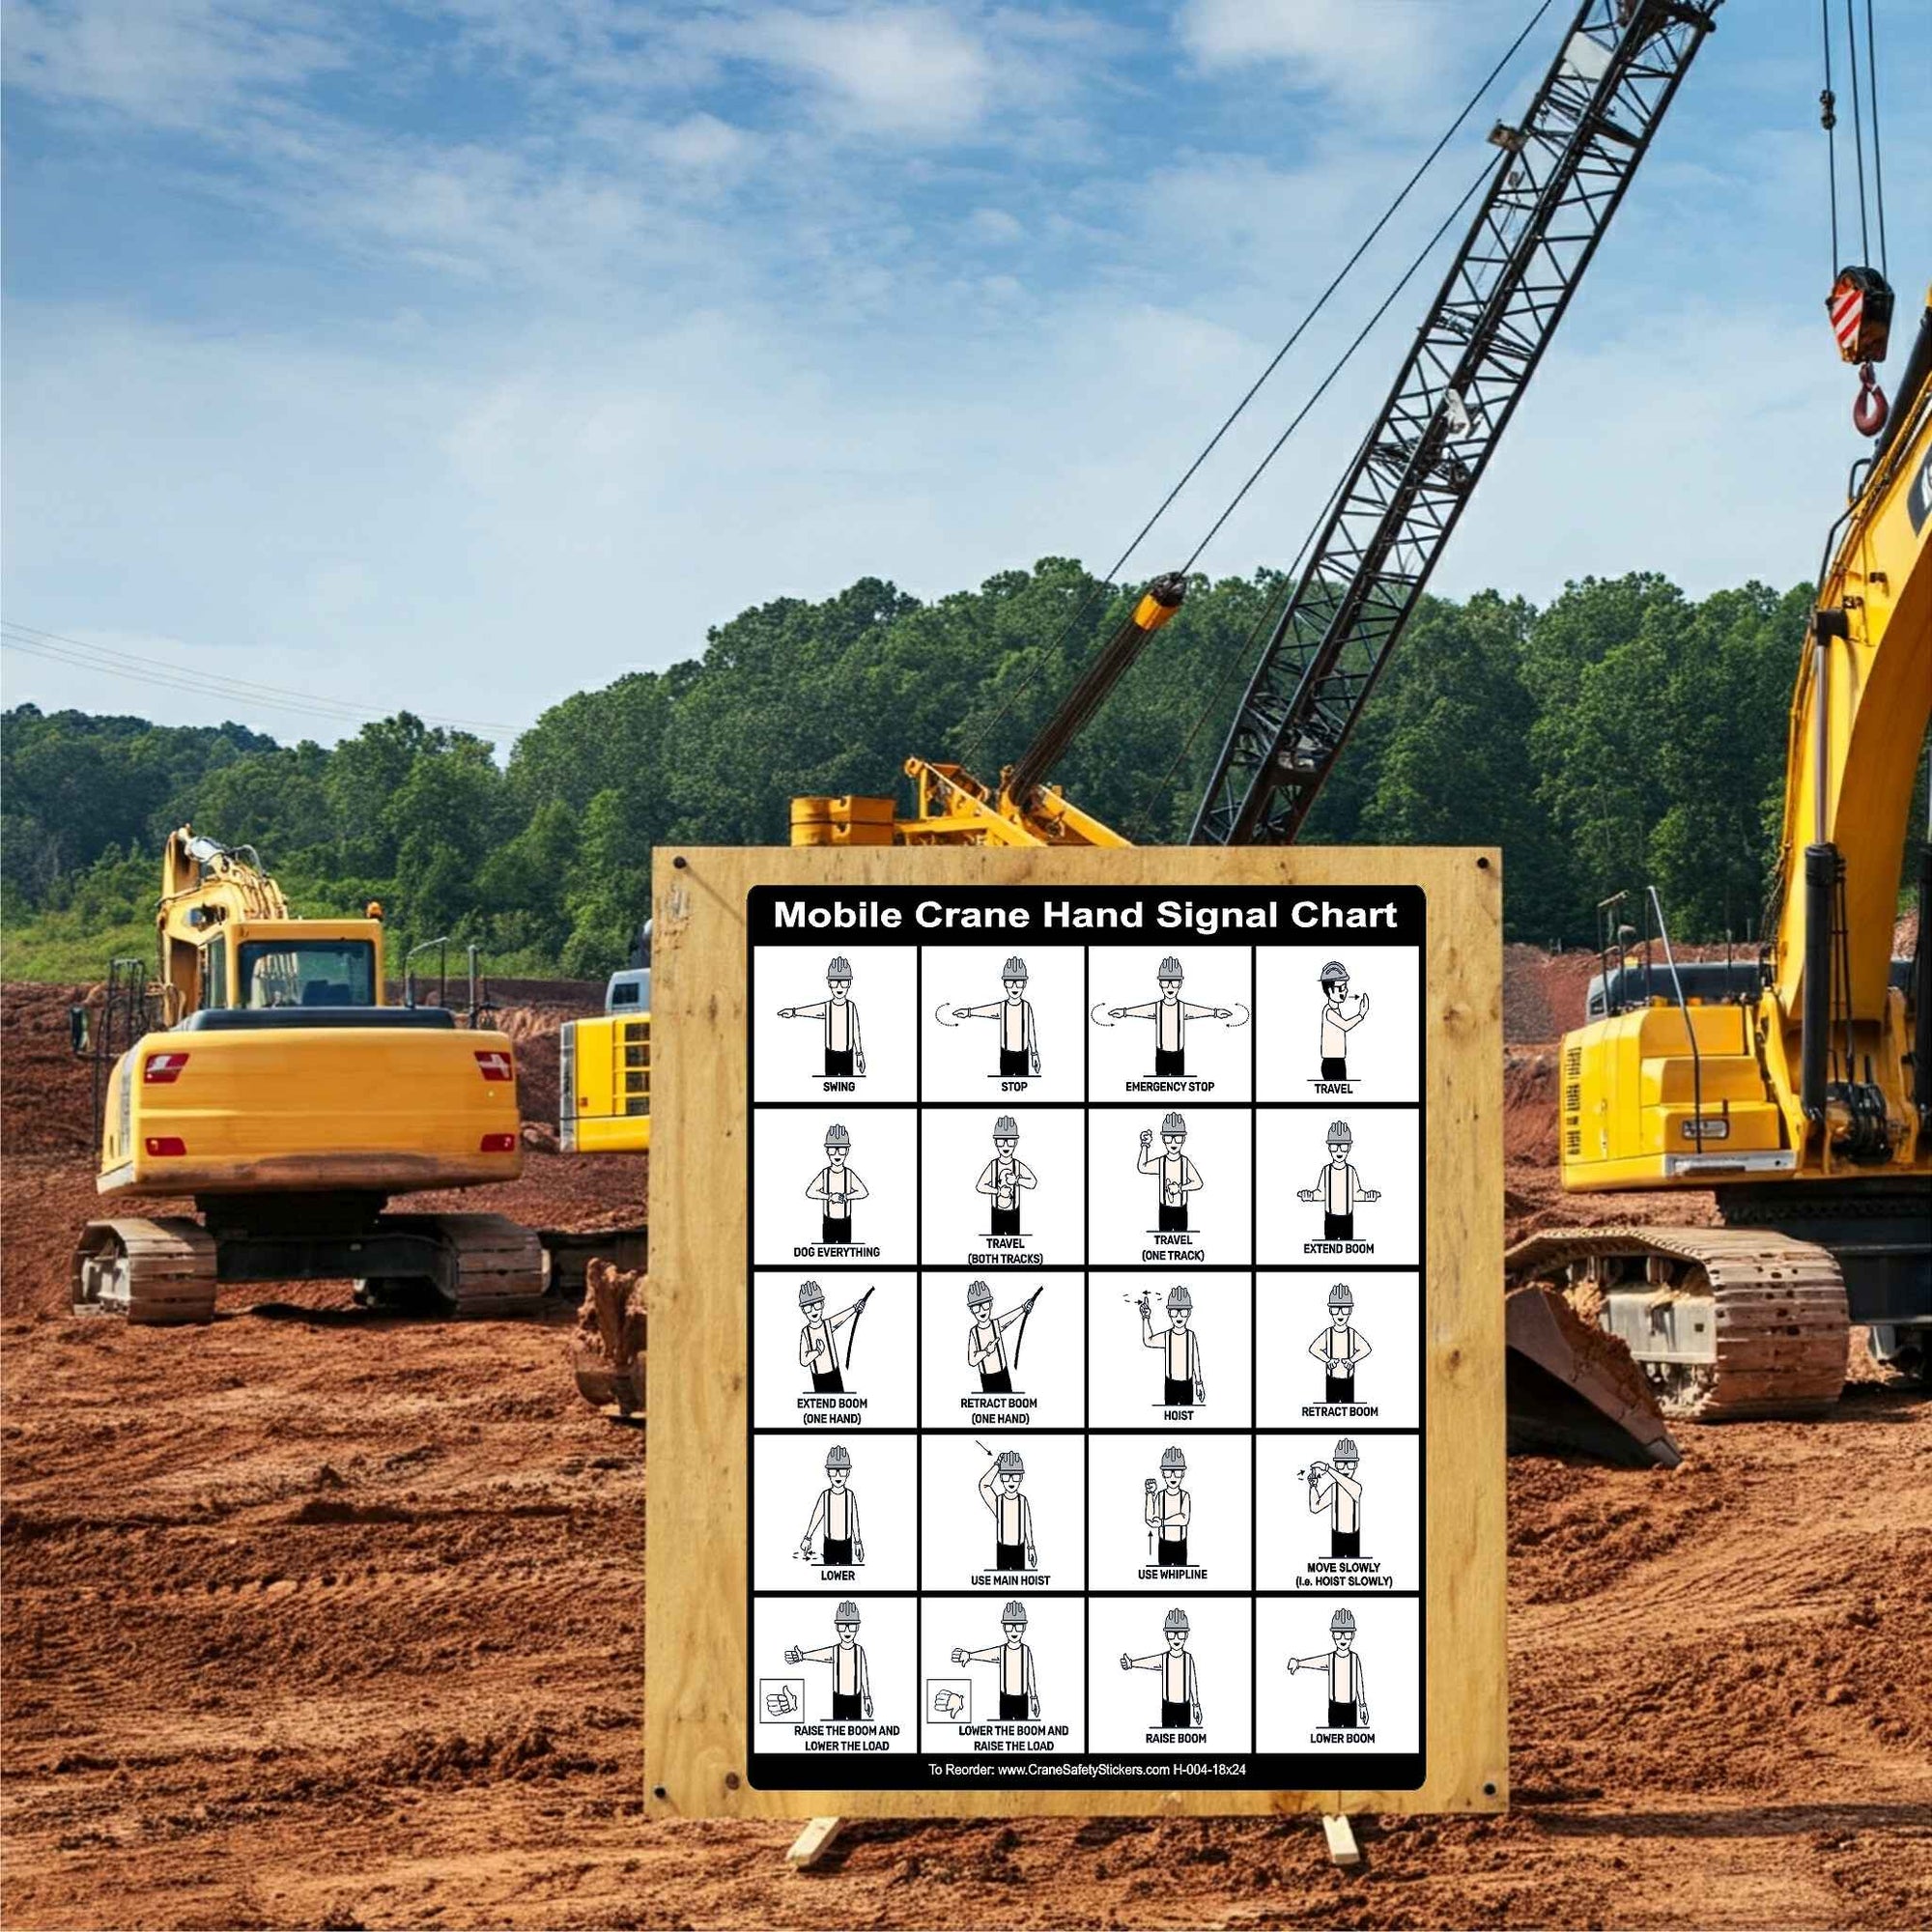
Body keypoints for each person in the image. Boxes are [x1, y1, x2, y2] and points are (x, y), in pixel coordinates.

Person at [1108, 956, 1231, 1076]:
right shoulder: (1157, 1007)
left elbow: (1198, 1011)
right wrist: (1124, 1012)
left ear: (1180, 983)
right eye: (1166, 982)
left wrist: (1215, 1013)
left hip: (1179, 1054)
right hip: (1161, 1055)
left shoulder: (1183, 1007)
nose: (1170, 987)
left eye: (1175, 982)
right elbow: (1141, 1010)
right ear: (1160, 984)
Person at [778, 956, 866, 1077]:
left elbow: (855, 1030)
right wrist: (793, 1012)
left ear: (849, 984)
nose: (839, 987)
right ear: (829, 983)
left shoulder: (851, 1006)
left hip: (848, 1055)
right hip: (831, 1056)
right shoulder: (827, 1006)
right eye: (835, 983)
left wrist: (859, 1054)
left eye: (843, 982)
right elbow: (811, 1011)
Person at [952, 1602, 1039, 1721]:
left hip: (1022, 1700)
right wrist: (969, 1655)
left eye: (1018, 1626)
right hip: (1005, 1700)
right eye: (1009, 1626)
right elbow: (987, 1655)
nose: (1014, 1631)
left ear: (1023, 1628)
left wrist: (1033, 1697)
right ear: (1004, 1628)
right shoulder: (1002, 1650)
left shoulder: (1025, 1650)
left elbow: (1030, 1676)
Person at [953, 956, 1040, 1078]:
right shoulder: (1002, 1006)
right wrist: (968, 1012)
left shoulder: (1026, 1006)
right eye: (1010, 983)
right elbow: (986, 1011)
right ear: (1005, 984)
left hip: (1023, 1055)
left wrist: (1034, 1054)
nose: (1014, 987)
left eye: (1019, 983)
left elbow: (1031, 1031)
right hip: (1006, 1056)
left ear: (1024, 984)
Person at [786, 1601, 872, 1721]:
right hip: (838, 1699)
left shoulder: (859, 1650)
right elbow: (820, 1655)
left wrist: (867, 1698)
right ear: (837, 1627)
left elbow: (863, 1675)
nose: (847, 1631)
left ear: (857, 1627)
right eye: (843, 1626)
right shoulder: (835, 1650)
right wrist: (802, 1656)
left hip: (855, 1699)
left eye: (851, 1626)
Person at [1287, 1606, 1370, 1730]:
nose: (1342, 1639)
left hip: (1351, 1707)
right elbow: (1316, 1662)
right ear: (1333, 1635)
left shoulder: (1354, 1658)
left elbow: (1358, 1683)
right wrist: (1298, 1663)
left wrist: (1362, 1705)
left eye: (1346, 1634)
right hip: (1335, 1707)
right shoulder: (1331, 1658)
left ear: (1352, 1635)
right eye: (1338, 1634)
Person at [1121, 1606, 1202, 1729]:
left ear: (1186, 1635)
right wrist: (1131, 1663)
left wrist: (1196, 1705)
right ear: (1166, 1635)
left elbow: (1192, 1684)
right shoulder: (1164, 1658)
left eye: (1180, 1634)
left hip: (1185, 1707)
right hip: (1167, 1707)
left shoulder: (1188, 1658)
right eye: (1171, 1634)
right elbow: (1149, 1662)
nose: (1176, 1639)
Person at [1296, 1120, 1378, 1240]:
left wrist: (1367, 1196)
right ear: (1329, 1148)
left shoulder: (1351, 1171)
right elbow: (1321, 1193)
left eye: (1343, 1147)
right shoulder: (1326, 1170)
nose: (1339, 1151)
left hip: (1347, 1219)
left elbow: (1356, 1194)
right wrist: (1310, 1196)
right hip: (1330, 1219)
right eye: (1335, 1147)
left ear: (1349, 1148)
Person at [1139, 1283, 1207, 1406]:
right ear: (1169, 1313)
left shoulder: (1191, 1336)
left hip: (1188, 1384)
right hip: (1171, 1385)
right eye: (1175, 1312)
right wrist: (1146, 1318)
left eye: (1184, 1312)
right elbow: (1148, 1341)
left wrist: (1199, 1383)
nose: (1179, 1316)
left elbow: (1195, 1361)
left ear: (1189, 1313)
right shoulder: (1167, 1336)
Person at [966, 1278, 1037, 1393]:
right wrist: (986, 1351)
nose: (981, 1311)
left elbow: (1009, 1318)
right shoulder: (974, 1332)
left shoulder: (996, 1324)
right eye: (976, 1307)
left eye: (985, 1305)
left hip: (1003, 1374)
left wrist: (1024, 1308)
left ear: (990, 1304)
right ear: (971, 1311)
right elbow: (972, 1360)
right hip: (986, 1378)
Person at [797, 1279, 869, 1393]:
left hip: (835, 1374)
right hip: (818, 1378)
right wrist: (817, 1351)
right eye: (808, 1307)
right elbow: (804, 1360)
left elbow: (841, 1318)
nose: (813, 1311)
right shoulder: (805, 1332)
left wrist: (855, 1308)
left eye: (816, 1305)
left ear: (822, 1304)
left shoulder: (827, 1325)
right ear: (803, 1310)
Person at [798, 1443, 864, 1566]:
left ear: (848, 1472)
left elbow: (854, 1519)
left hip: (846, 1544)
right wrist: (808, 1538)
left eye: (842, 1471)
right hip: (829, 1545)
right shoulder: (825, 1496)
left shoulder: (850, 1495)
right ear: (828, 1473)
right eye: (834, 1471)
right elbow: (816, 1517)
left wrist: (858, 1542)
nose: (838, 1476)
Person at [1139, 1112, 1204, 1232]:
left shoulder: (1185, 1162)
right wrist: (1145, 1145)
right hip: (1164, 1210)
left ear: (1183, 1139)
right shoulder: (1161, 1162)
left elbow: (1198, 1183)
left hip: (1181, 1210)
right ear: (1163, 1139)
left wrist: (1179, 1189)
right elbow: (1142, 1167)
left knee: (1181, 1239)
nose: (1173, 1143)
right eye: (1169, 1138)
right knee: (1164, 1237)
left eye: (1177, 1138)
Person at [805, 1122, 868, 1243]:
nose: (837, 1154)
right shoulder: (825, 1174)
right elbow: (810, 1192)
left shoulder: (849, 1174)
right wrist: (829, 1196)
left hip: (845, 1221)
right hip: (828, 1221)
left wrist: (846, 1196)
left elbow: (863, 1192)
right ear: (827, 1151)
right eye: (833, 1150)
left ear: (847, 1151)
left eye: (841, 1150)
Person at [1309, 1283, 1372, 1403]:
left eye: (1345, 1309)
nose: (1340, 1314)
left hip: (1348, 1380)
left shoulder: (1352, 1333)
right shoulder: (1328, 1333)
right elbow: (1313, 1348)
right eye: (1336, 1309)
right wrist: (1328, 1360)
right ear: (1330, 1310)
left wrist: (1352, 1360)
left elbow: (1366, 1349)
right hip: (1331, 1380)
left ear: (1350, 1310)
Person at [976, 1116, 1037, 1236]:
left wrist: (1018, 1180)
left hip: (1014, 1212)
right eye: (1001, 1141)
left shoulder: (1017, 1165)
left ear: (1015, 1143)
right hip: (996, 1212)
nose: (1005, 1146)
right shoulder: (993, 1165)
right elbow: (980, 1186)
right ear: (995, 1143)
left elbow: (1033, 1182)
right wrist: (998, 1191)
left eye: (1010, 1141)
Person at [977, 1449, 1037, 1572]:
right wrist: (997, 1465)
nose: (1010, 1481)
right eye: (1006, 1476)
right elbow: (984, 1485)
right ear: (1001, 1477)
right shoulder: (998, 1502)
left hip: (1019, 1550)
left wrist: (1031, 1547)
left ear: (1020, 1478)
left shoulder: (1022, 1501)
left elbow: (1026, 1525)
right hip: (1002, 1550)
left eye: (1015, 1476)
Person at [1305, 1437, 1364, 1559]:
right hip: (1337, 1536)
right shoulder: (1334, 1488)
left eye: (1350, 1464)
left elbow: (1350, 1486)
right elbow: (1315, 1507)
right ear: (1336, 1465)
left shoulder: (1355, 1487)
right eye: (1341, 1464)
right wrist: (1313, 1486)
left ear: (1356, 1465)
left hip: (1354, 1536)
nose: (1346, 1469)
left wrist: (1327, 1469)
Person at [1317, 961, 1370, 1079]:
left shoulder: (1335, 1010)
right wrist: (1361, 1014)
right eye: (1341, 988)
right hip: (1331, 1063)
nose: (1345, 991)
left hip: (1338, 1061)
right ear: (1330, 991)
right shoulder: (1329, 1012)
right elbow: (1345, 1025)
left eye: (1345, 987)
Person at [1143, 1445, 1192, 1565]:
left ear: (1183, 1473)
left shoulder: (1185, 1496)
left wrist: (1163, 1522)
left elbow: (1184, 1519)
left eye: (1177, 1472)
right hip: (1164, 1545)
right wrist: (1150, 1494)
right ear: (1163, 1473)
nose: (1173, 1476)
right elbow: (1150, 1519)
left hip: (1181, 1544)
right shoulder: (1160, 1496)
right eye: (1169, 1472)